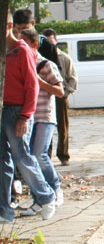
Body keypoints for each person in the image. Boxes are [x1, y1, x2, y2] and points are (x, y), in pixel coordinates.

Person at [18, 29, 65, 208]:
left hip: (44, 115)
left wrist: (39, 82)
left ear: (34, 44)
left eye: (24, 42)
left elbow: (60, 91)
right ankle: (40, 198)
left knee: (39, 153)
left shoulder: (46, 65)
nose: (20, 46)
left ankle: (55, 187)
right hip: (27, 116)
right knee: (28, 156)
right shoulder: (21, 63)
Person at [41, 28, 77, 166]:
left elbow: (73, 79)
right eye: (46, 42)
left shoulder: (64, 58)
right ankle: (45, 156)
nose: (49, 45)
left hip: (60, 97)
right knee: (44, 126)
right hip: (44, 97)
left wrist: (63, 93)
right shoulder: (40, 57)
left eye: (51, 41)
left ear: (56, 41)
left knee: (63, 127)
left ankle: (63, 155)